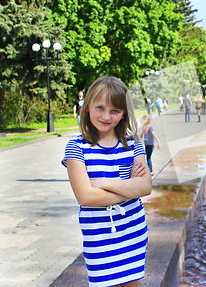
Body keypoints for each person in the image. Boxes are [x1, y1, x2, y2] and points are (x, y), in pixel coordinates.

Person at [62, 76, 151, 287]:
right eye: (100, 108)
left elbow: (145, 187)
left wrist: (100, 181)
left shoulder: (133, 144)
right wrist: (130, 188)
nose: (106, 116)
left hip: (133, 231)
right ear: (87, 108)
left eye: (115, 111)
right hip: (99, 237)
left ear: (123, 114)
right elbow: (86, 196)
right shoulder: (76, 147)